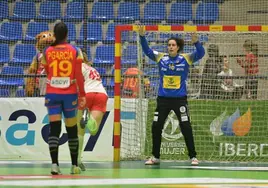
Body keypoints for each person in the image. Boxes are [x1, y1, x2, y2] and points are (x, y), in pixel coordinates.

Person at [137, 25, 205, 166]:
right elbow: (147, 50)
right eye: (169, 45)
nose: (170, 47)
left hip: (180, 100)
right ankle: (155, 157)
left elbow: (201, 53)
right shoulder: (161, 58)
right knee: (156, 127)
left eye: (173, 45)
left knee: (186, 127)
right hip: (163, 100)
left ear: (178, 47)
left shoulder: (186, 58)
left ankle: (193, 156)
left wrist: (196, 42)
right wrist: (142, 36)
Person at [41, 22, 86, 175]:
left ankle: (54, 165)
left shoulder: (47, 51)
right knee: (71, 129)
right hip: (70, 94)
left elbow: (47, 71)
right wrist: (83, 95)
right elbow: (79, 75)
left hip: (52, 93)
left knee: (54, 129)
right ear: (67, 34)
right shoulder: (75, 51)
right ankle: (74, 166)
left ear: (54, 34)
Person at [76, 49, 108, 171]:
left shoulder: (78, 66)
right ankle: (88, 117)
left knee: (80, 132)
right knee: (93, 130)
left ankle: (78, 160)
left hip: (87, 95)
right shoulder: (92, 68)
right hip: (101, 95)